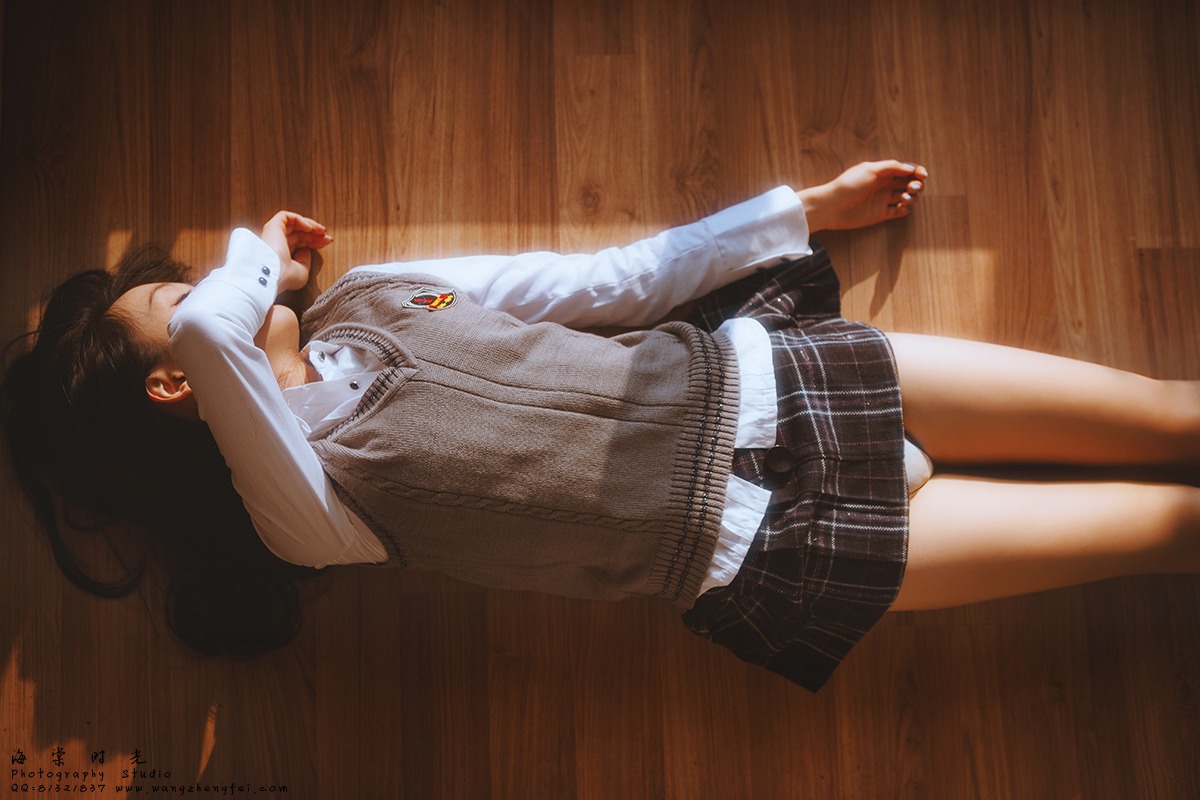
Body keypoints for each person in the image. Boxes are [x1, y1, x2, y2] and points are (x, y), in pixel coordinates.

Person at [3, 160, 1197, 692]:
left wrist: (801, 208)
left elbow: (610, 280)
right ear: (175, 388)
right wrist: (256, 251)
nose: (218, 289)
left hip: (778, 378)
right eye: (181, 293)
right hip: (764, 545)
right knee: (1174, 528)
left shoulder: (380, 293)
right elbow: (217, 332)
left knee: (1169, 413)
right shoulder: (300, 513)